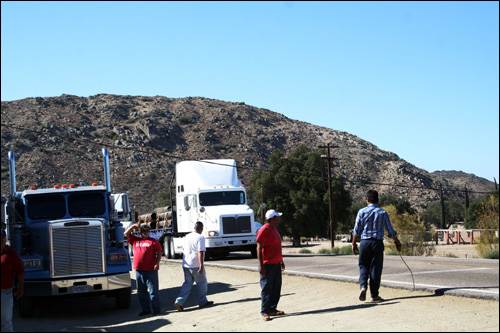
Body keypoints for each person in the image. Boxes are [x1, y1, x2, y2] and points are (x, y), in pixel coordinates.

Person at [352, 190, 402, 303]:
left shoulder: (361, 212)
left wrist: (354, 243)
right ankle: (374, 295)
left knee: (363, 265)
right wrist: (397, 242)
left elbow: (356, 230)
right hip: (377, 243)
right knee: (375, 268)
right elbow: (390, 230)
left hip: (365, 242)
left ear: (367, 200)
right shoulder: (383, 213)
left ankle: (363, 286)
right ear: (377, 200)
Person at [124, 223, 163, 316]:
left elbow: (159, 252)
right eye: (144, 231)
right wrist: (133, 226)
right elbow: (126, 234)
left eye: (147, 231)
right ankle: (146, 309)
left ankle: (156, 309)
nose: (146, 233)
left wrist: (157, 263)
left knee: (153, 291)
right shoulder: (135, 240)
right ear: (141, 232)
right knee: (141, 291)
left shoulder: (153, 241)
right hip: (139, 270)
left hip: (150, 270)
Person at [174, 222, 214, 311]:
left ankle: (179, 301)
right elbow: (200, 251)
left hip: (186, 264)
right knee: (202, 283)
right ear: (201, 229)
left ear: (194, 227)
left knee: (187, 283)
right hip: (195, 264)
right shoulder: (200, 237)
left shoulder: (187, 236)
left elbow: (184, 249)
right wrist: (201, 265)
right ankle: (202, 301)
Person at [257, 210, 286, 321]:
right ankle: (265, 311)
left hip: (276, 263)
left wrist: (281, 260)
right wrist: (261, 265)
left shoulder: (274, 229)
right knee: (267, 287)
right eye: (277, 217)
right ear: (272, 218)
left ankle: (272, 309)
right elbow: (259, 247)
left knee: (276, 287)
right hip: (267, 264)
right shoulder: (264, 230)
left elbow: (277, 246)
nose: (279, 219)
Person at [1, 229, 25, 332]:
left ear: (5, 238)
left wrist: (20, 288)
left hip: (5, 293)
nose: (0, 239)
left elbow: (20, 272)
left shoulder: (11, 254)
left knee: (6, 322)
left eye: (2, 237)